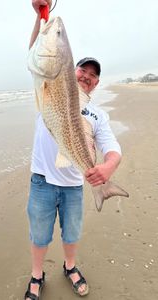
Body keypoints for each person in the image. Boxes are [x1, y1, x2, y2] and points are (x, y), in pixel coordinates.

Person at [25, 1, 122, 299]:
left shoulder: (97, 115)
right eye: (83, 70)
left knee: (72, 234)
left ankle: (70, 266)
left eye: (93, 75)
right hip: (41, 179)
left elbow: (112, 148)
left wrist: (107, 168)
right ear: (73, 69)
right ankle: (36, 275)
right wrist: (40, 17)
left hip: (72, 186)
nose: (86, 76)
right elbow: (37, 52)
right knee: (39, 235)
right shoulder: (49, 81)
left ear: (96, 82)